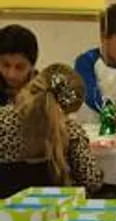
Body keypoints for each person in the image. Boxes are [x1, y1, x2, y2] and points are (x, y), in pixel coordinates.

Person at [0, 64, 102, 192]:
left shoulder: (3, 119)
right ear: (71, 107)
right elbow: (92, 181)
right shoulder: (71, 131)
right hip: (54, 208)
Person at [0, 24, 38, 105]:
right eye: (5, 65)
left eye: (20, 67)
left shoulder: (45, 94)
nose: (11, 75)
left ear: (32, 66)